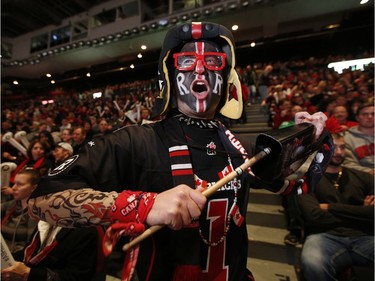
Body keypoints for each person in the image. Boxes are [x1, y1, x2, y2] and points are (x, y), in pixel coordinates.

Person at [28, 22, 331, 281]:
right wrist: (142, 206)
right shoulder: (133, 141)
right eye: (187, 62)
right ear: (170, 76)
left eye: (212, 62)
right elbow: (41, 202)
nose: (199, 69)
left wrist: (307, 142)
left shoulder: (242, 148)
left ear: (227, 78)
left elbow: (294, 186)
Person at [297, 132, 374, 281]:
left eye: (342, 147)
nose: (339, 152)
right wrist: (361, 212)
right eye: (334, 147)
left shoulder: (364, 177)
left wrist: (330, 207)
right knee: (313, 263)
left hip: (365, 236)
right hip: (324, 236)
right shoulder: (307, 181)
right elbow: (313, 216)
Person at [1, 221, 105, 281]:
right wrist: (5, 259)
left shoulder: (86, 229)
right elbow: (29, 254)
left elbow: (75, 277)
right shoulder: (46, 220)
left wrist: (28, 274)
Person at [1, 169, 39, 253]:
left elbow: (30, 248)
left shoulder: (35, 213)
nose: (13, 188)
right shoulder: (13, 204)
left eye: (20, 184)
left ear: (33, 188)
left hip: (16, 259)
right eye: (14, 183)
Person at [343, 103, 374, 175]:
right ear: (357, 118)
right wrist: (369, 171)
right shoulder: (347, 138)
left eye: (373, 114)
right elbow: (348, 163)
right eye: (365, 114)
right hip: (363, 177)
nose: (370, 117)